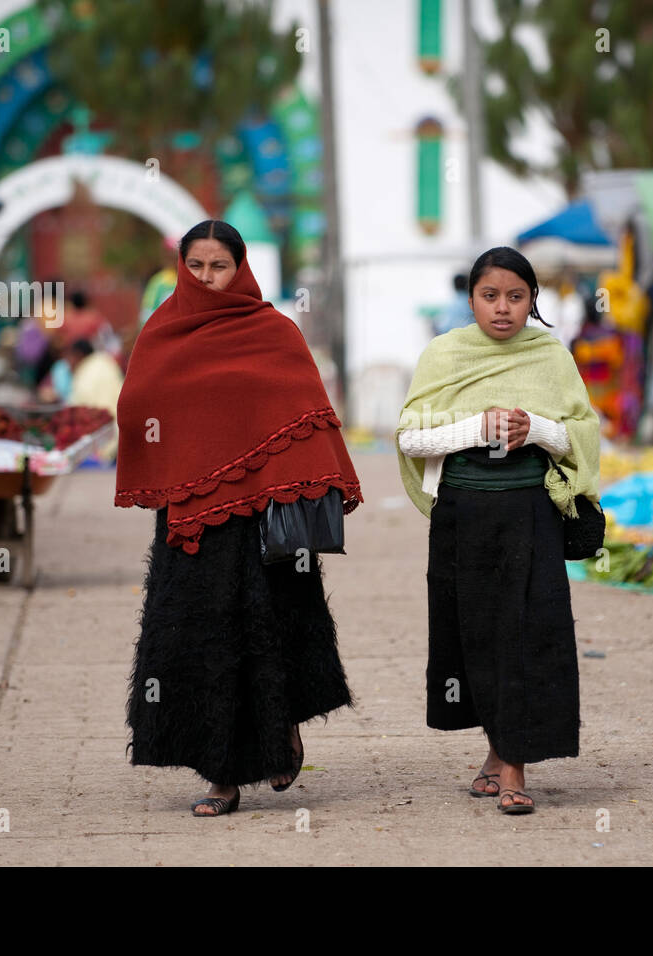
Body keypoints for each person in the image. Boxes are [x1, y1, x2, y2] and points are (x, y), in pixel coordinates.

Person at [115, 219, 364, 817]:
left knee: (272, 630)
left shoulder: (274, 332)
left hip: (266, 522)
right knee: (205, 641)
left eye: (219, 266)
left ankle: (283, 735)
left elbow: (303, 406)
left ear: (242, 268)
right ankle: (222, 775)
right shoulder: (163, 331)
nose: (206, 277)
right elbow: (136, 404)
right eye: (196, 266)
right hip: (194, 525)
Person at [395, 246, 601, 814]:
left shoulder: (552, 357)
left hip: (531, 517)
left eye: (516, 297)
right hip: (463, 518)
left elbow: (582, 435)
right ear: (471, 300)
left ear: (534, 300)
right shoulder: (444, 354)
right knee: (476, 636)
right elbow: (411, 437)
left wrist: (534, 426)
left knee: (527, 634)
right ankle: (496, 751)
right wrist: (474, 427)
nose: (503, 309)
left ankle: (515, 770)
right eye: (491, 297)